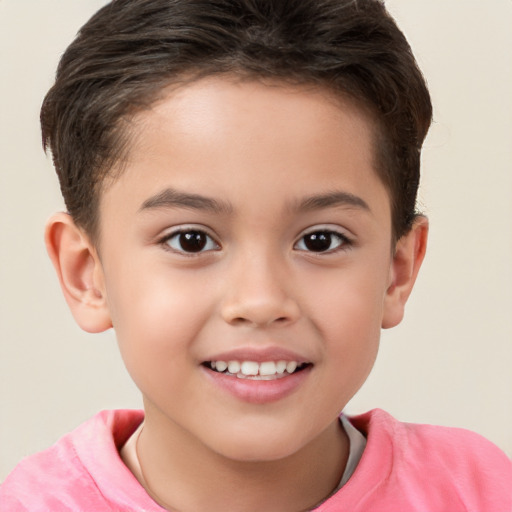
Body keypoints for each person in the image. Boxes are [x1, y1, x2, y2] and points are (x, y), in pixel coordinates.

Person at [1, 0, 511, 510]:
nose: (261, 300)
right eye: (191, 240)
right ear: (86, 273)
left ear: (397, 272)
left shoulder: (479, 492)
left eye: (320, 240)